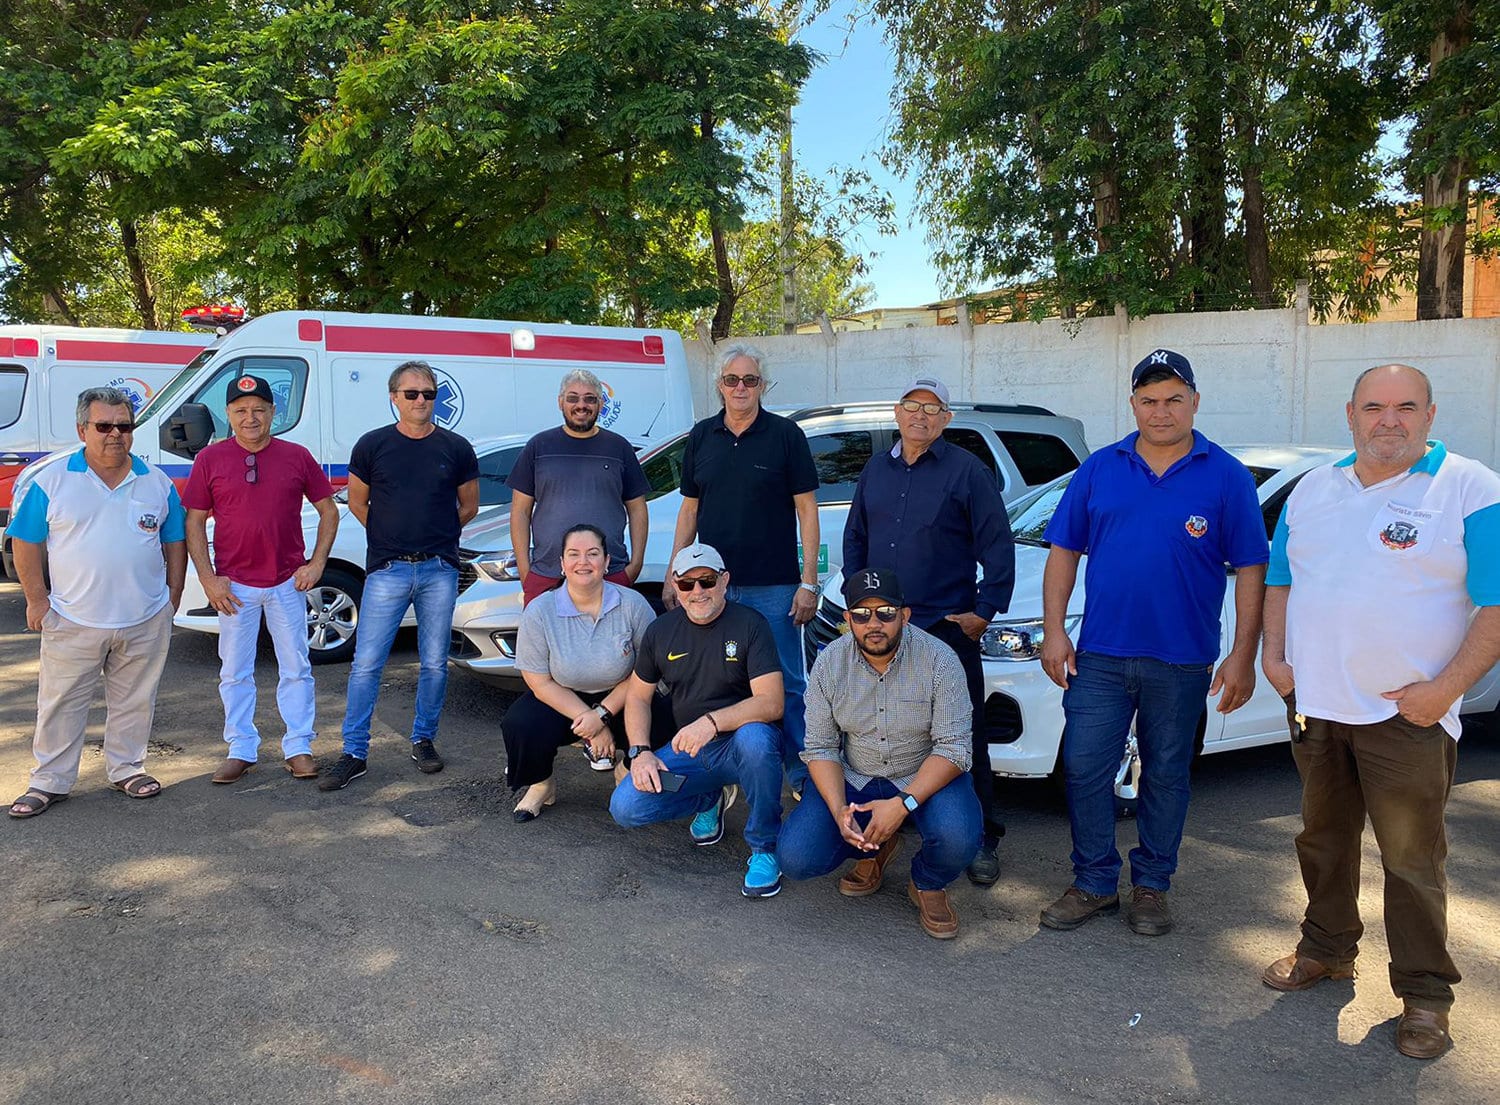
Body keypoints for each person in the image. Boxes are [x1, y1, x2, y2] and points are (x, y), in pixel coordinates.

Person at [1258, 363, 1500, 1060]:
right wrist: (1276, 658)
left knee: (1411, 861)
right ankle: (1326, 949)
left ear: (1430, 414)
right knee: (1322, 840)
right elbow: (1281, 578)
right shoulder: (1315, 488)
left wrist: (1445, 689)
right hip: (1318, 706)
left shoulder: (1470, 488)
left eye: (1405, 407)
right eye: (1373, 407)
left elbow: (1495, 604)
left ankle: (1425, 996)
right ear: (1351, 413)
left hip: (1408, 717)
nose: (1388, 420)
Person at [1038, 349, 1267, 936]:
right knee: (1085, 768)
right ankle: (1094, 881)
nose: (1161, 411)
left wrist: (1243, 654)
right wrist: (1055, 630)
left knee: (1165, 774)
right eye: (1149, 400)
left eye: (1173, 399)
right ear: (1133, 404)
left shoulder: (1227, 475)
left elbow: (1251, 568)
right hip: (1101, 655)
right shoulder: (1100, 468)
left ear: (1195, 402)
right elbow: (1063, 550)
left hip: (1182, 659)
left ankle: (1151, 887)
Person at [842, 375, 1015, 886]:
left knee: (964, 735)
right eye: (912, 406)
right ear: (897, 413)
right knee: (879, 727)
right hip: (882, 630)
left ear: (946, 419)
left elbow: (997, 543)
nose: (920, 416)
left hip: (945, 628)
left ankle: (980, 838)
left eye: (932, 408)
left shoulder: (968, 471)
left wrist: (986, 609)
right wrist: (861, 606)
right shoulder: (876, 469)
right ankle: (886, 825)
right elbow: (856, 538)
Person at [6, 388, 186, 817]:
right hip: (73, 617)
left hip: (144, 617)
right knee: (60, 704)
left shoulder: (156, 481)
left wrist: (173, 596)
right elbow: (25, 541)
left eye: (124, 426)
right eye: (103, 426)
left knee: (135, 700)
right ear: (82, 429)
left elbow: (175, 540)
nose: (115, 435)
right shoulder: (52, 480)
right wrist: (37, 600)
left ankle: (128, 768)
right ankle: (49, 781)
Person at [778, 569, 982, 939]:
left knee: (959, 837)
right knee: (797, 857)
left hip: (922, 775)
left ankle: (928, 882)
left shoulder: (940, 659)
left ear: (905, 615)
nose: (874, 624)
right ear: (848, 619)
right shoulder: (830, 662)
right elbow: (821, 746)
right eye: (862, 614)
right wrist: (839, 811)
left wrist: (903, 804)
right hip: (858, 775)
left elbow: (954, 748)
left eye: (886, 613)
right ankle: (874, 848)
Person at [665, 343, 819, 793]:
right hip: (709, 585)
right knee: (714, 680)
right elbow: (689, 510)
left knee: (787, 680)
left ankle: (800, 769)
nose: (740, 387)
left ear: (762, 386)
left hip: (773, 585)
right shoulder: (701, 436)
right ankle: (721, 767)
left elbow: (807, 510)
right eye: (732, 379)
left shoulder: (786, 435)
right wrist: (677, 573)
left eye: (750, 380)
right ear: (720, 385)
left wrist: (809, 582)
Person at [319, 361, 480, 791]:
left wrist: (438, 539)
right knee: (365, 665)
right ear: (394, 398)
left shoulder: (456, 448)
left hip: (439, 570)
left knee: (434, 664)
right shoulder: (372, 445)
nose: (421, 400)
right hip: (387, 570)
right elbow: (358, 503)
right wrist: (389, 536)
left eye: (429, 393)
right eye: (412, 394)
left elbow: (469, 506)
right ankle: (354, 752)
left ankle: (423, 740)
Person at [183, 374, 339, 784]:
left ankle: (299, 746)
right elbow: (193, 522)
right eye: (240, 410)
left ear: (273, 412)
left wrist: (317, 563)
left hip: (287, 581)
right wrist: (208, 579)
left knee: (296, 668)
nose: (250, 418)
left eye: (258, 410)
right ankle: (240, 748)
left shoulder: (297, 456)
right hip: (234, 586)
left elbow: (329, 510)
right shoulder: (210, 459)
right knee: (234, 671)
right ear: (228, 414)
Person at [612, 542, 787, 897]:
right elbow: (638, 697)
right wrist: (640, 752)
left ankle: (764, 847)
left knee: (756, 739)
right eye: (687, 583)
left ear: (724, 580)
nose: (698, 591)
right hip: (692, 752)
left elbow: (772, 703)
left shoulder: (750, 624)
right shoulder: (661, 631)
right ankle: (708, 799)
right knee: (626, 806)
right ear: (675, 586)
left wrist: (711, 722)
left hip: (741, 746)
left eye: (707, 580)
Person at [503, 524, 671, 821]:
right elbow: (538, 681)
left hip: (624, 694)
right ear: (562, 563)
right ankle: (541, 783)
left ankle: (627, 767)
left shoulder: (633, 605)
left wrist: (602, 714)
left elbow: (645, 672)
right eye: (574, 554)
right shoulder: (540, 611)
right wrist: (592, 721)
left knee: (667, 719)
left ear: (606, 562)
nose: (583, 561)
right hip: (563, 695)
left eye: (593, 553)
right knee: (520, 724)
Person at [509, 369, 649, 607]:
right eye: (572, 398)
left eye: (589, 399)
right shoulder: (538, 447)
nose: (581, 405)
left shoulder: (619, 448)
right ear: (560, 402)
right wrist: (525, 571)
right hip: (547, 576)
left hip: (610, 574)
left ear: (600, 404)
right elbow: (520, 511)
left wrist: (634, 566)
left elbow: (638, 509)